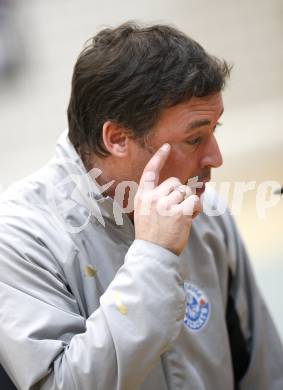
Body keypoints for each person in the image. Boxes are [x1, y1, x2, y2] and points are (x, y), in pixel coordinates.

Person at [0, 22, 282, 390]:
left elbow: (264, 375)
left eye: (215, 131)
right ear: (117, 138)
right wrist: (154, 256)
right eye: (195, 138)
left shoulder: (206, 212)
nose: (216, 157)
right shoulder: (18, 237)